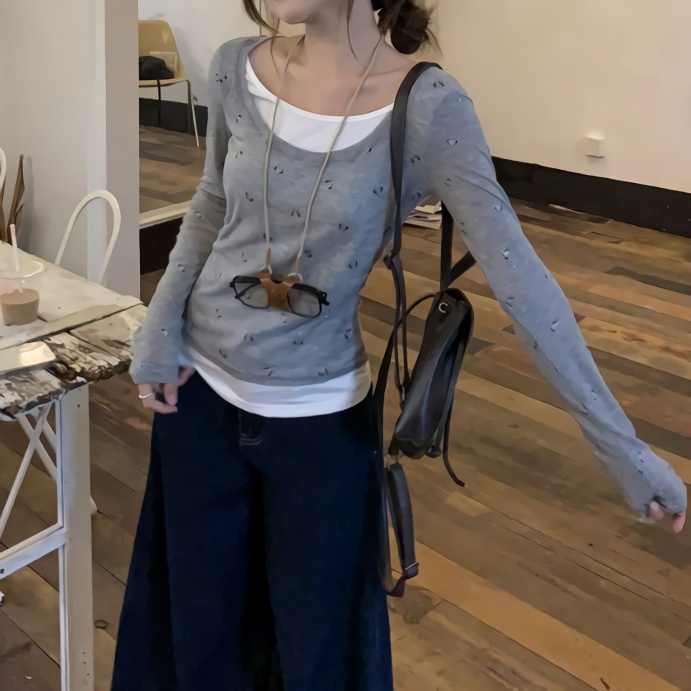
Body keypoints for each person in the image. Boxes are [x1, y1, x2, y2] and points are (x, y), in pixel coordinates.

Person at [113, 1, 687, 688]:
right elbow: (211, 203)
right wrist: (158, 328)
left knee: (319, 655)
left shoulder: (428, 107)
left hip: (318, 426)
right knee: (197, 641)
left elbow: (522, 284)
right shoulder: (236, 67)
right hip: (196, 406)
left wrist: (623, 448)